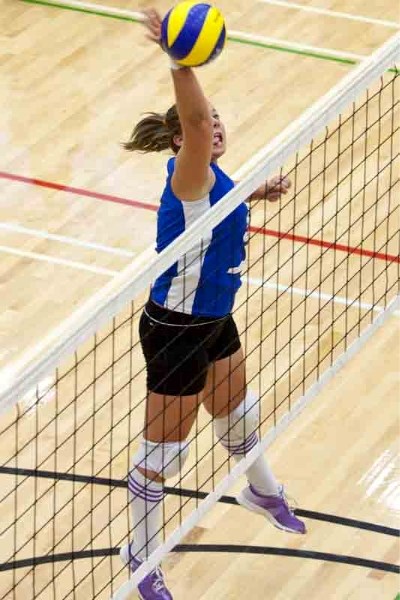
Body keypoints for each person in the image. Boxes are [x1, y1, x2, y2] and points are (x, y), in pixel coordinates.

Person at [120, 8, 306, 600]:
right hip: (175, 328)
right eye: (206, 125)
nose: (215, 126)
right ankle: (141, 554)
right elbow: (196, 122)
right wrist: (181, 62)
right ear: (182, 140)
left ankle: (260, 490)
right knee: (164, 453)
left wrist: (251, 190)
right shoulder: (189, 173)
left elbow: (211, 190)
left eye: (222, 121)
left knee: (237, 412)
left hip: (215, 318)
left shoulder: (216, 181)